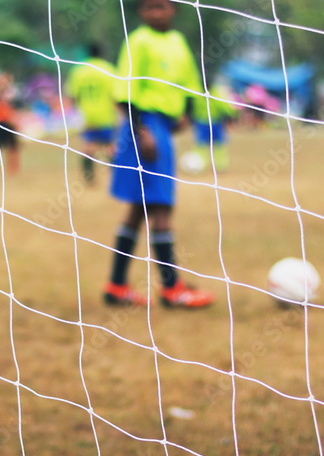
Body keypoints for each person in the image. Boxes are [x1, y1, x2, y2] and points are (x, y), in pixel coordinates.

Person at [105, 0, 214, 309]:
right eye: (149, 7)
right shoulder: (138, 41)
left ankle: (116, 285)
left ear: (174, 10)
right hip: (144, 127)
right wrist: (143, 131)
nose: (156, 12)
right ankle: (171, 290)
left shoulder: (178, 42)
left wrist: (188, 113)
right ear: (141, 12)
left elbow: (191, 82)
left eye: (162, 6)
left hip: (163, 127)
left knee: (140, 208)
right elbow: (123, 89)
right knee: (161, 207)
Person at [66, 44, 117, 184]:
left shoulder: (79, 71)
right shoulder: (108, 69)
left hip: (86, 114)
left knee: (89, 145)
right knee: (110, 147)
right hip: (105, 114)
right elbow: (116, 95)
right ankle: (116, 177)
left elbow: (74, 95)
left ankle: (89, 178)